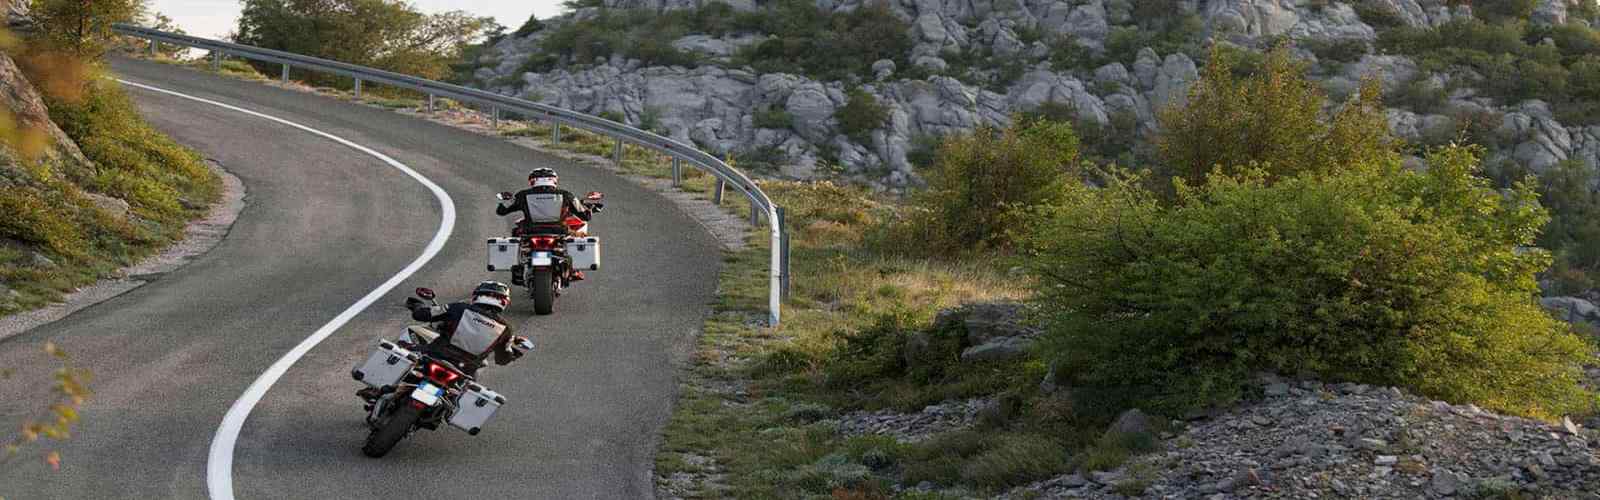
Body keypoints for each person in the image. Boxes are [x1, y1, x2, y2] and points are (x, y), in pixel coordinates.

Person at [357, 281, 529, 402]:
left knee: (406, 344)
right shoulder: (506, 329)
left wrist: (417, 306)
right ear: (504, 302)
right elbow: (502, 359)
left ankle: (376, 388)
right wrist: (514, 354)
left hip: (435, 355)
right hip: (465, 370)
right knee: (461, 391)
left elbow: (422, 315)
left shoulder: (460, 308)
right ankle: (444, 406)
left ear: (476, 295)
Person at [495, 167, 602, 280]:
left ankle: (518, 269)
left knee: (516, 232)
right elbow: (585, 216)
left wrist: (504, 201)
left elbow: (501, 211)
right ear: (554, 180)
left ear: (532, 181)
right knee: (576, 239)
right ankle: (574, 269)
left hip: (531, 231)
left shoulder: (522, 195)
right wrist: (590, 208)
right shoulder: (566, 195)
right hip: (559, 231)